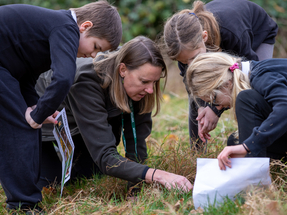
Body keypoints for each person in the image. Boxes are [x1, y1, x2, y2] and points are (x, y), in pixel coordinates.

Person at [0, 0, 122, 213]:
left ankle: (26, 196)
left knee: (29, 127)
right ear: (85, 26)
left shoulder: (54, 27)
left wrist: (36, 107)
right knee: (19, 128)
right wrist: (37, 114)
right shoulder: (65, 27)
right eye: (96, 47)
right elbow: (64, 79)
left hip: (5, 67)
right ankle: (22, 206)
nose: (93, 56)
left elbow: (25, 75)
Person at [35, 36, 193, 195]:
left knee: (90, 174)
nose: (151, 90)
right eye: (144, 82)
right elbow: (105, 158)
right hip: (45, 124)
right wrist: (159, 175)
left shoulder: (139, 80)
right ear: (123, 70)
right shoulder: (86, 80)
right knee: (50, 185)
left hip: (89, 119)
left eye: (154, 82)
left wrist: (135, 188)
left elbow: (135, 140)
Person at [163, 0, 278, 151]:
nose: (191, 65)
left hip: (258, 33)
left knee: (254, 92)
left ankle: (257, 145)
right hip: (217, 37)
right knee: (196, 100)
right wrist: (202, 107)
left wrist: (216, 109)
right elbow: (194, 91)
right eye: (185, 62)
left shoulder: (232, 34)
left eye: (193, 58)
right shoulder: (184, 49)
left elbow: (245, 76)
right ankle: (197, 152)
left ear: (204, 37)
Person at [186, 52, 287, 170]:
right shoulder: (254, 73)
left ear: (226, 83)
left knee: (247, 100)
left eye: (214, 101)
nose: (218, 106)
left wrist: (248, 146)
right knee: (235, 143)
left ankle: (252, 184)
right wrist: (246, 144)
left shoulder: (261, 75)